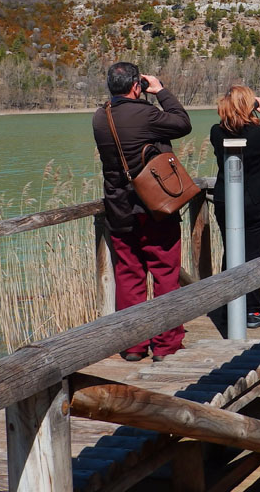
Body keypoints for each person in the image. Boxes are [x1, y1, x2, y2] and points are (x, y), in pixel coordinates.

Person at [92, 62, 191, 362]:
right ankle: (165, 344)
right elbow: (182, 123)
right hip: (154, 205)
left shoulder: (100, 116)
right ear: (137, 86)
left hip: (119, 207)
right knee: (164, 273)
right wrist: (160, 91)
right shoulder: (146, 113)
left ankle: (133, 345)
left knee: (129, 275)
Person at [210, 85, 260, 329]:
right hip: (254, 202)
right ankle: (252, 311)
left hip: (224, 200)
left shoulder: (216, 132)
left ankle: (228, 308)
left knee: (230, 254)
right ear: (249, 105)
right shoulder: (257, 134)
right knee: (253, 256)